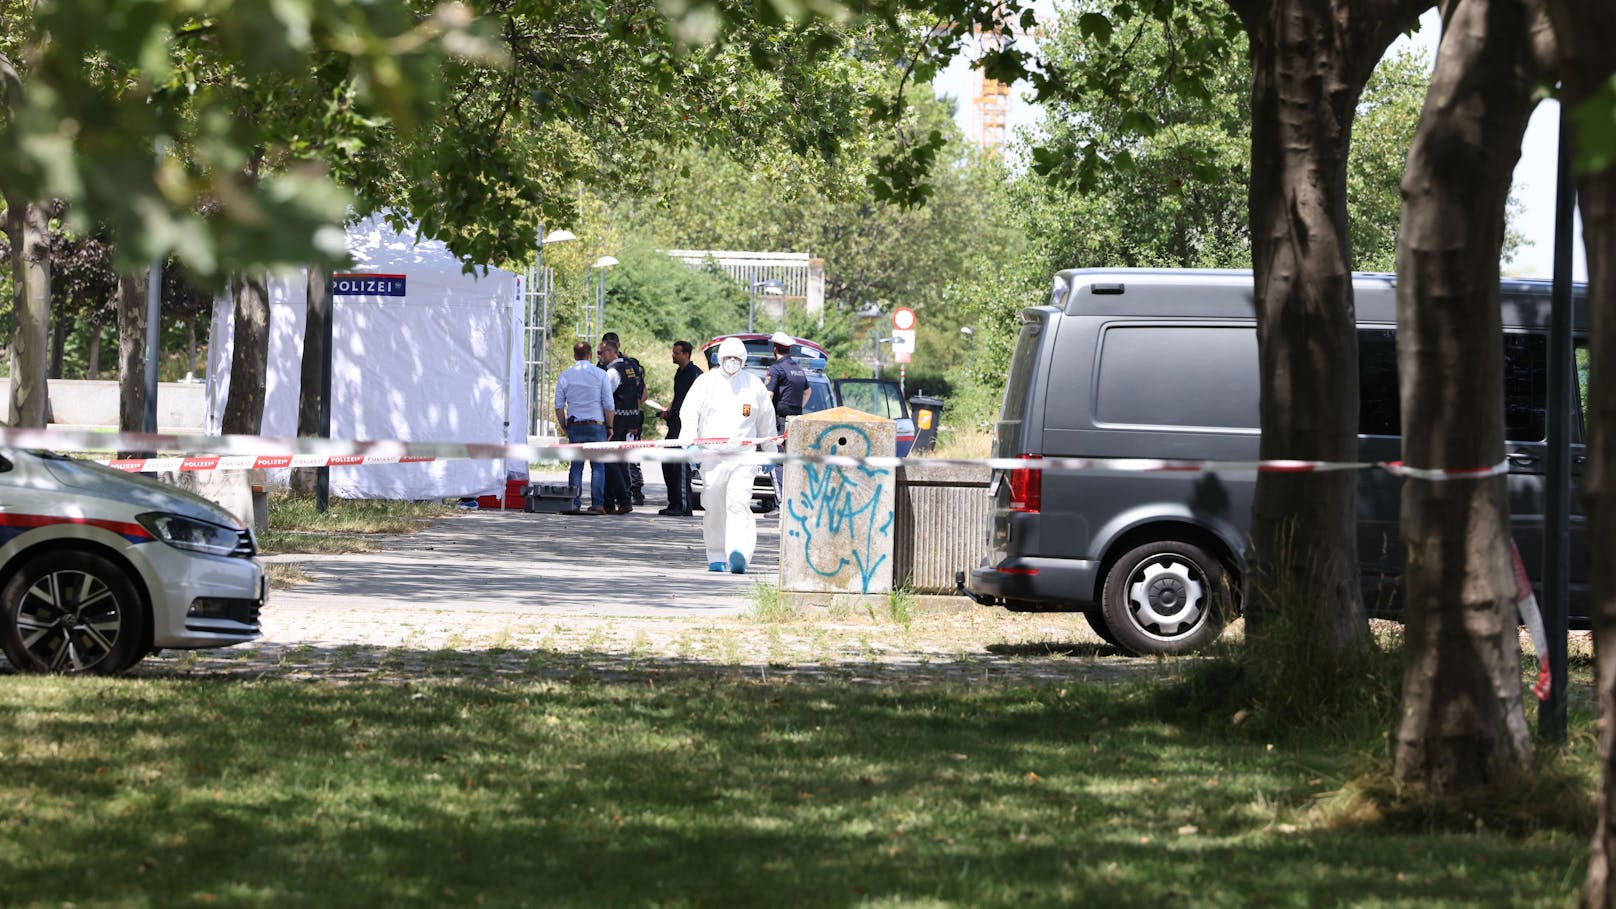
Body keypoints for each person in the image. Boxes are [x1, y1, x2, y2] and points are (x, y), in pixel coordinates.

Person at [678, 336, 776, 573]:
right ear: (719, 358)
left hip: (744, 456)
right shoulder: (705, 382)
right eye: (727, 357)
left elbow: (767, 421)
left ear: (744, 360)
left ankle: (739, 552)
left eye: (736, 358)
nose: (732, 362)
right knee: (713, 506)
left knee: (738, 504)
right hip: (712, 456)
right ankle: (716, 555)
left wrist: (770, 452)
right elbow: (689, 414)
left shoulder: (754, 386)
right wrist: (689, 445)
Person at [552, 340, 614, 514]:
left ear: (574, 355)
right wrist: (610, 426)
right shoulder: (601, 374)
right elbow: (609, 404)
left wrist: (564, 426)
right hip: (597, 425)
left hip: (575, 425)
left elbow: (558, 405)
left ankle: (574, 503)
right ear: (591, 355)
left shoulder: (566, 375)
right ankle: (598, 504)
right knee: (598, 466)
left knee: (576, 466)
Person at [763, 330, 809, 510]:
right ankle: (793, 503)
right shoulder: (798, 369)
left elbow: (768, 395)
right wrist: (798, 409)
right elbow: (807, 391)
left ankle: (781, 504)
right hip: (795, 421)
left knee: (778, 462)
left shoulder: (776, 369)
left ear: (775, 349)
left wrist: (762, 418)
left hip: (780, 422)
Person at [602, 331, 649, 505]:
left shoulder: (613, 371)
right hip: (630, 420)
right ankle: (625, 496)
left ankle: (618, 498)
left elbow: (605, 398)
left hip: (616, 422)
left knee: (610, 461)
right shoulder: (632, 367)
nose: (600, 357)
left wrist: (607, 422)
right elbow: (640, 395)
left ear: (609, 351)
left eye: (601, 353)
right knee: (622, 461)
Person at [658, 340, 703, 516]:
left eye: (677, 353)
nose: (673, 355)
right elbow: (678, 397)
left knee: (681, 466)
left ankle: (684, 506)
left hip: (687, 426)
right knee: (668, 463)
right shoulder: (679, 373)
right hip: (675, 423)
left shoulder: (696, 374)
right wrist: (668, 411)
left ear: (686, 354)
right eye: (673, 352)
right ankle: (674, 503)